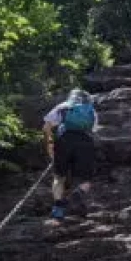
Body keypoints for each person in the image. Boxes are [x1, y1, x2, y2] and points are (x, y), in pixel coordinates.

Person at [43, 88, 98, 221]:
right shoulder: (91, 110)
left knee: (59, 176)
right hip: (85, 142)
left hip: (64, 140)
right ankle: (78, 193)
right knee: (86, 178)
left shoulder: (64, 106)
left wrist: (49, 144)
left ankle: (58, 209)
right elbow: (93, 129)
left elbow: (46, 127)